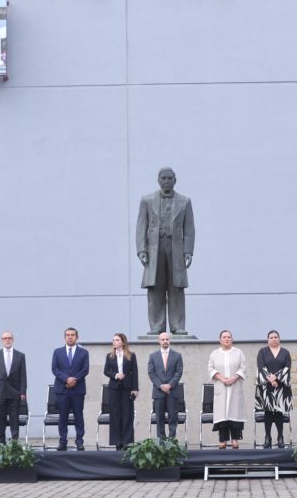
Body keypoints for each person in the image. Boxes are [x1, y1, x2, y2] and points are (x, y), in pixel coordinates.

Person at [136, 167, 195, 335]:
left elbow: (189, 229)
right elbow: (141, 227)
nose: (166, 181)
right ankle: (157, 326)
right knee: (155, 288)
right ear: (158, 180)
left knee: (176, 288)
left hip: (176, 248)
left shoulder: (185, 201)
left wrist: (188, 251)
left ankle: (177, 325)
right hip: (154, 249)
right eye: (163, 178)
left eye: (170, 178)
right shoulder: (147, 200)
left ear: (175, 180)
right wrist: (141, 249)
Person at [51, 327, 90, 450]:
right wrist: (66, 379)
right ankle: (63, 441)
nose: (70, 337)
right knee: (63, 416)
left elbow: (85, 369)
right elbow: (55, 369)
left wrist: (74, 380)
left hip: (77, 390)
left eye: (72, 335)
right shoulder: (57, 352)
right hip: (62, 390)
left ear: (77, 337)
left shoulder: (84, 353)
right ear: (64, 337)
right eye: (67, 335)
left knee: (79, 416)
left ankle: (79, 441)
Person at [208, 330, 246, 449]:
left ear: (232, 339)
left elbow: (243, 368)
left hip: (235, 387)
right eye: (224, 337)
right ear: (220, 340)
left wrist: (234, 378)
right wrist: (222, 379)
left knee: (234, 414)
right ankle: (223, 439)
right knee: (222, 415)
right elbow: (211, 368)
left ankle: (235, 439)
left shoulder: (239, 353)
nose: (226, 339)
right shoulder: (214, 354)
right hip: (221, 387)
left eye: (229, 337)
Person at [255, 330, 292, 448]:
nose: (274, 339)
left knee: (279, 412)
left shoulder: (285, 352)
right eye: (271, 337)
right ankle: (267, 437)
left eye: (276, 337)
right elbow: (260, 366)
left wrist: (276, 378)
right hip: (267, 387)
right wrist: (271, 380)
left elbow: (287, 367)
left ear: (279, 339)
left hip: (281, 387)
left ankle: (280, 437)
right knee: (268, 412)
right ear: (268, 339)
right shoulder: (262, 351)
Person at [0, 331, 27, 444]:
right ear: (1, 340)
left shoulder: (20, 355)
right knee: (0, 418)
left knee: (14, 417)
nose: (7, 340)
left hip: (15, 392)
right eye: (5, 338)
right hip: (0, 392)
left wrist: (23, 391)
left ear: (13, 339)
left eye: (9, 338)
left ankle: (14, 442)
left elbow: (23, 375)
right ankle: (0, 442)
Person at [104, 333, 139, 449]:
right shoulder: (109, 356)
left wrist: (135, 389)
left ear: (123, 342)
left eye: (117, 340)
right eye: (113, 340)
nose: (114, 342)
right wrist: (115, 375)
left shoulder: (131, 355)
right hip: (114, 388)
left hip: (127, 388)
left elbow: (135, 372)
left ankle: (127, 441)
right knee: (115, 414)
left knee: (127, 414)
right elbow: (106, 371)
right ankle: (117, 441)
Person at [147, 332, 184, 439]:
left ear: (170, 341)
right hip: (158, 392)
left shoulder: (177, 356)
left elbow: (179, 372)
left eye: (167, 339)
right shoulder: (153, 356)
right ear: (159, 341)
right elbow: (151, 373)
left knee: (173, 417)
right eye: (162, 339)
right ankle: (161, 442)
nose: (165, 341)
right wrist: (161, 386)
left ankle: (172, 441)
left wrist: (170, 385)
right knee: (159, 418)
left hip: (172, 391)